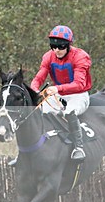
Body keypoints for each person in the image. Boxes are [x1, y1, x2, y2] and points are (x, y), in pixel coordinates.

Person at [29, 25, 93, 161]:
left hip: (78, 95)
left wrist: (58, 89)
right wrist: (34, 90)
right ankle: (31, 150)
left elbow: (79, 84)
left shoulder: (81, 57)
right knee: (38, 112)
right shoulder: (48, 56)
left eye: (61, 46)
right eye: (53, 46)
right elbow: (39, 78)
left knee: (69, 111)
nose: (56, 50)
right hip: (58, 95)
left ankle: (78, 147)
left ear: (69, 45)